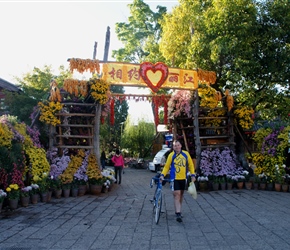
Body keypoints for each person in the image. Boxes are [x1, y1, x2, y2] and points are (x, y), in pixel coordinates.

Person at [160, 140, 196, 223]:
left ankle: (179, 209)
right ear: (173, 147)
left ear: (181, 146)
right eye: (175, 145)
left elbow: (190, 165)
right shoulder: (171, 155)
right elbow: (166, 167)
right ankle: (178, 213)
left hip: (183, 178)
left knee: (181, 194)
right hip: (174, 178)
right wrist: (162, 175)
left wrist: (193, 175)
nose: (177, 147)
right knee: (177, 194)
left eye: (178, 145)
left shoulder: (186, 154)